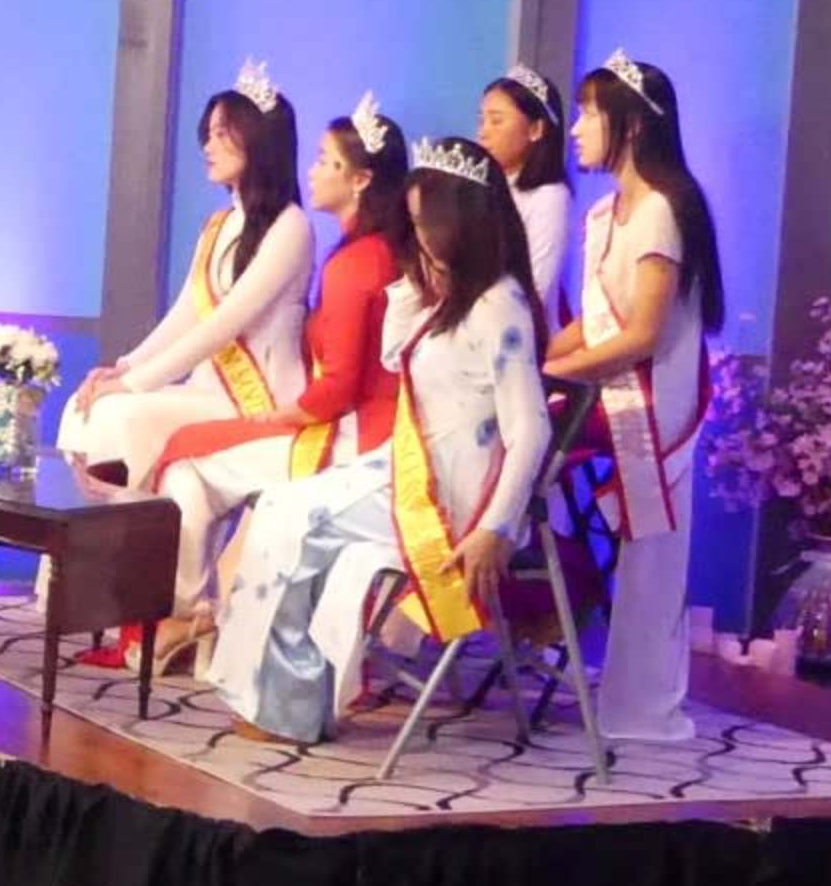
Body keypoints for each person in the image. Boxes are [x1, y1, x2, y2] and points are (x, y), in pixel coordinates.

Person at [210, 136, 549, 743]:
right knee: (280, 507)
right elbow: (395, 356)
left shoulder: (500, 305)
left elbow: (531, 429)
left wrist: (496, 528)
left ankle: (285, 705)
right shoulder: (448, 297)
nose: (415, 239)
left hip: (449, 494)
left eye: (423, 225)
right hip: (410, 469)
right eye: (411, 225)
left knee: (291, 515)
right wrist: (414, 285)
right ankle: (278, 695)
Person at [147, 96, 413, 642]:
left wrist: (280, 417)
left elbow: (339, 386)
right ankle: (193, 616)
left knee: (186, 462)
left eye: (325, 161)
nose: (312, 172)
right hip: (359, 429)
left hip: (351, 440)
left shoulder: (354, 263)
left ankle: (189, 615)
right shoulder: (374, 252)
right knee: (188, 456)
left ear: (360, 180)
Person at [545, 51, 724, 745]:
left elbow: (642, 335)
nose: (577, 129)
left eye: (590, 114)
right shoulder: (603, 214)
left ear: (633, 126)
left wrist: (557, 375)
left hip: (648, 404)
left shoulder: (661, 212)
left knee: (652, 557)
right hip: (606, 391)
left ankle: (641, 704)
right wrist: (537, 360)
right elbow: (594, 322)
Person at [57, 84, 310, 484]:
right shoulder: (220, 225)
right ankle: (83, 522)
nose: (208, 147)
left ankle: (119, 520)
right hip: (207, 390)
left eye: (221, 134)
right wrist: (123, 368)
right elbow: (187, 312)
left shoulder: (291, 227)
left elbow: (224, 324)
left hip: (257, 398)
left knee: (122, 413)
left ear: (258, 140)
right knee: (84, 404)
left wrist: (134, 384)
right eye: (208, 134)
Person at [478, 62, 573, 320]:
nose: (483, 132)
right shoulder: (486, 189)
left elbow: (537, 286)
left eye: (496, 121)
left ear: (535, 129)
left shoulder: (549, 197)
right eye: (481, 120)